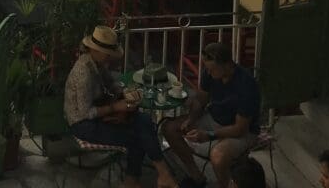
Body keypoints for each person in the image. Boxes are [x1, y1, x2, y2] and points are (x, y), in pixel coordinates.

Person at [64, 25, 178, 188]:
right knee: (137, 138)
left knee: (144, 120)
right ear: (96, 50)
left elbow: (110, 83)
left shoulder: (95, 63)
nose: (111, 57)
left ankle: (161, 174)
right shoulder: (83, 73)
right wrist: (116, 107)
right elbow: (84, 113)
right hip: (83, 124)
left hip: (100, 111)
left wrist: (125, 92)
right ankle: (136, 180)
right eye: (108, 53)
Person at [162, 42, 261, 188]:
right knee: (169, 128)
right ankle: (196, 175)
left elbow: (240, 128)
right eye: (207, 69)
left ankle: (226, 185)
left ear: (227, 65)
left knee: (218, 156)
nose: (208, 73)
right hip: (213, 117)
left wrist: (208, 135)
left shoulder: (246, 86)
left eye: (212, 69)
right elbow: (201, 100)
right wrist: (191, 119)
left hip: (241, 131)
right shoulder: (210, 74)